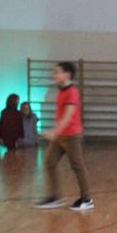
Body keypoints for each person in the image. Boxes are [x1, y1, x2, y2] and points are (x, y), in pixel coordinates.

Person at [34, 61, 93, 211]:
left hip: (72, 136)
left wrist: (54, 131)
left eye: (57, 72)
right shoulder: (62, 91)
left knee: (77, 166)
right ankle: (55, 196)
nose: (54, 75)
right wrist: (57, 133)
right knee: (49, 162)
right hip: (61, 136)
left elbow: (68, 115)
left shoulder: (72, 92)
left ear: (67, 74)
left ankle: (87, 199)